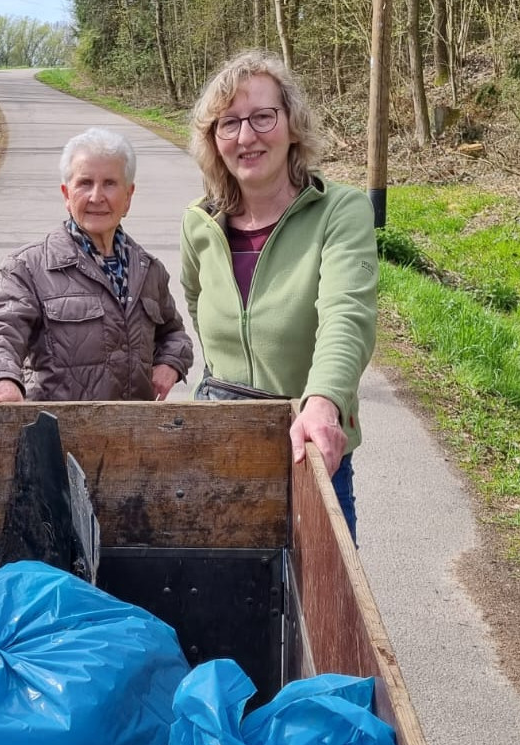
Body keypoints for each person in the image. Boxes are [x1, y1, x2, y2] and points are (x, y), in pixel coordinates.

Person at [181, 50, 377, 540]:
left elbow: (346, 315)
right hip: (222, 451)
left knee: (321, 611)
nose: (246, 137)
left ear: (293, 125)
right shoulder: (198, 223)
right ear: (214, 141)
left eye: (263, 117)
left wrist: (324, 402)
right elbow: (195, 305)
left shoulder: (342, 211)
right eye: (229, 124)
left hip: (308, 451)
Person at [0, 127, 193, 403]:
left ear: (128, 196)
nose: (96, 196)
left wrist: (171, 362)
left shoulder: (148, 270)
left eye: (110, 183)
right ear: (66, 194)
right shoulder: (28, 268)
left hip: (135, 437)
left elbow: (174, 333)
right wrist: (1, 379)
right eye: (85, 183)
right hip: (58, 438)